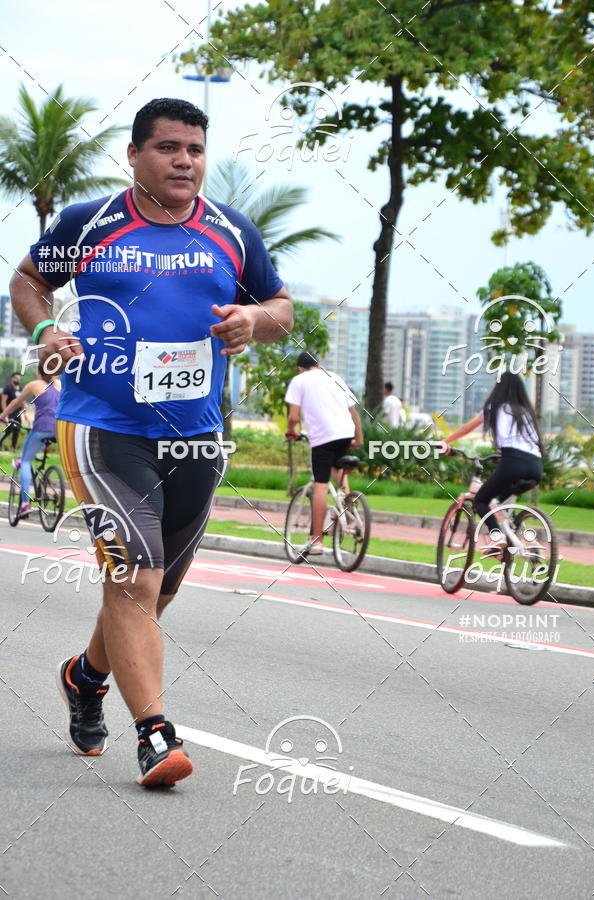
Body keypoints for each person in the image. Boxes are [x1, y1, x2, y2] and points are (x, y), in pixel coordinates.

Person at [10, 97, 292, 787]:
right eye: (169, 148)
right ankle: (155, 735)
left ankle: (85, 675)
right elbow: (27, 281)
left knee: (151, 592)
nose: (185, 161)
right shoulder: (89, 223)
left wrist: (255, 320)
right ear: (134, 156)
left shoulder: (232, 231)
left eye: (195, 149)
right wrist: (46, 333)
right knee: (134, 577)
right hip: (103, 427)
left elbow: (283, 310)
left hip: (196, 437)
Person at [441, 372, 543, 551]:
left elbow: (466, 428)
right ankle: (529, 543)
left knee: (481, 500)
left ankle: (497, 537)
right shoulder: (526, 412)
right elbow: (522, 442)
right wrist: (504, 455)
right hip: (535, 466)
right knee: (503, 504)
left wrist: (445, 443)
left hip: (513, 463)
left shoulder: (494, 408)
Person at [285, 352, 363, 555]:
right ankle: (349, 505)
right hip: (346, 433)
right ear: (317, 365)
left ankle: (316, 540)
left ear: (300, 368)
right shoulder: (335, 377)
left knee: (320, 484)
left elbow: (293, 417)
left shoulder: (299, 380)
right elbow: (354, 412)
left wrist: (291, 431)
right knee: (337, 468)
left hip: (323, 437)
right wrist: (359, 439)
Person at [0, 364, 60, 514]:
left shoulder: (34, 384)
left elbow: (15, 403)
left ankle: (25, 504)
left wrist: (3, 415)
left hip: (41, 428)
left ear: (38, 371)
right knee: (35, 447)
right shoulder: (59, 385)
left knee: (26, 461)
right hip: (57, 430)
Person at [0, 372, 22, 450]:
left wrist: (24, 412)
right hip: (9, 412)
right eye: (16, 378)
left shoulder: (20, 389)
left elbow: (22, 401)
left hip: (17, 413)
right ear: (12, 378)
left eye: (19, 378)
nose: (18, 379)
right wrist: (5, 415)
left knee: (17, 429)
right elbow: (3, 402)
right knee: (9, 429)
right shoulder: (7, 388)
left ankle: (13, 448)